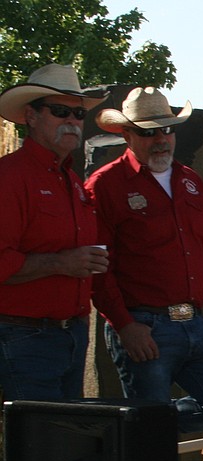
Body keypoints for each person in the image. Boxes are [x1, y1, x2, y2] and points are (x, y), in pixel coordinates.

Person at [87, 87, 203, 435]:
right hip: (143, 324)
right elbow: (98, 265)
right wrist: (123, 324)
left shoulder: (191, 180)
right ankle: (140, 432)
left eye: (167, 129)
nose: (161, 139)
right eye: (149, 132)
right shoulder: (105, 185)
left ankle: (132, 428)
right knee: (150, 429)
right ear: (127, 134)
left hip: (197, 322)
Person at [0, 64, 109, 401]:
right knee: (41, 447)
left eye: (78, 113)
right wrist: (62, 263)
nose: (73, 121)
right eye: (60, 111)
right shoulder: (10, 177)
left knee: (66, 446)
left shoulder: (74, 182)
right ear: (31, 116)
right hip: (24, 335)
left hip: (73, 334)